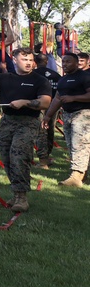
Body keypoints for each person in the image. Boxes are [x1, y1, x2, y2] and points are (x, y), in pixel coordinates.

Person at [0, 47, 51, 212]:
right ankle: (16, 191)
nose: (28, 63)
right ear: (15, 60)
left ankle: (22, 197)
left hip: (28, 121)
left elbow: (45, 102)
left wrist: (25, 102)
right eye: (24, 59)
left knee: (19, 155)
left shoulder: (40, 81)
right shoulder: (4, 78)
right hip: (7, 121)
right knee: (6, 158)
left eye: (30, 60)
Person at [43, 53, 90, 187]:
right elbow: (58, 98)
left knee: (79, 144)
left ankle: (76, 177)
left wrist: (74, 98)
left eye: (68, 62)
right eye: (63, 62)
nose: (65, 64)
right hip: (68, 114)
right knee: (71, 145)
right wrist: (48, 116)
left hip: (83, 114)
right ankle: (82, 174)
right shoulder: (63, 79)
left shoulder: (85, 77)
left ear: (77, 63)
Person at [33, 52, 62, 168]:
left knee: (41, 131)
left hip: (39, 105)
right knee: (50, 130)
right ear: (47, 62)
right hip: (53, 105)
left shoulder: (33, 75)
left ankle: (43, 159)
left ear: (35, 62)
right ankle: (47, 155)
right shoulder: (56, 75)